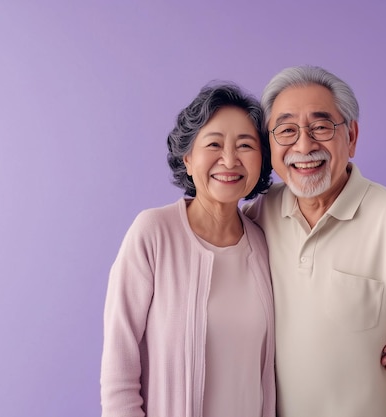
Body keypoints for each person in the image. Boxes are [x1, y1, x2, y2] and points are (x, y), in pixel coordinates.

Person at [243, 65, 386, 417]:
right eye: (286, 130)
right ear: (270, 144)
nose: (304, 145)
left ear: (351, 136)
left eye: (321, 127)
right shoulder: (260, 215)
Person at [101, 83, 276, 417]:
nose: (229, 159)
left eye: (245, 145)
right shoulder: (153, 233)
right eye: (214, 144)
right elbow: (118, 370)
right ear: (188, 158)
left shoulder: (265, 243)